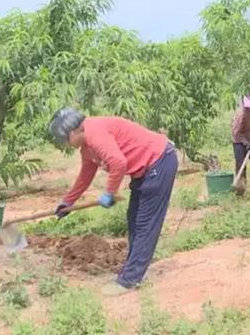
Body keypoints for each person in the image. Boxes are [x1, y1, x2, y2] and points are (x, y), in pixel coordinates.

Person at [48, 108, 178, 296]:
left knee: (144, 225)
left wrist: (109, 193)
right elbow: (86, 175)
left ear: (75, 131)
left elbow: (118, 163)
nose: (66, 144)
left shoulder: (94, 133)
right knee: (133, 220)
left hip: (159, 161)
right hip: (145, 170)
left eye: (65, 139)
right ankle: (132, 271)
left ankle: (129, 280)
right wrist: (67, 202)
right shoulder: (87, 145)